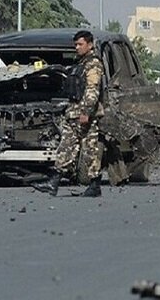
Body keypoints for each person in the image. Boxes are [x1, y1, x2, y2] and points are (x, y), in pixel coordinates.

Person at [32, 30, 105, 197]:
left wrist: (86, 112)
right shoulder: (80, 63)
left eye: (80, 44)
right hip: (73, 113)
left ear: (90, 44)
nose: (77, 47)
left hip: (85, 115)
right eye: (76, 45)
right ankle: (54, 182)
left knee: (90, 149)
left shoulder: (93, 64)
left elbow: (92, 91)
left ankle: (95, 184)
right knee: (66, 147)